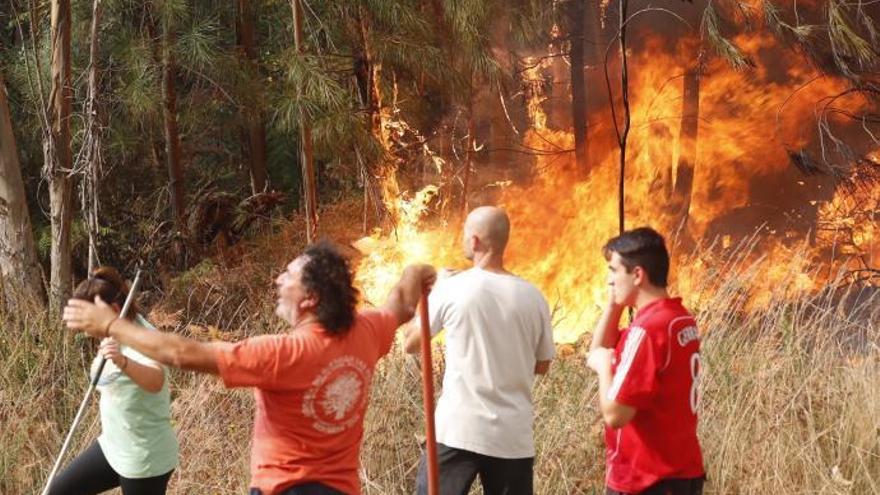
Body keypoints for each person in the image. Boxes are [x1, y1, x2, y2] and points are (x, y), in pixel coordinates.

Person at [64, 242, 436, 495]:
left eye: (288, 276)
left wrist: (111, 326)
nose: (278, 280)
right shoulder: (366, 331)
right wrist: (418, 271)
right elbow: (401, 304)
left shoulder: (283, 353)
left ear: (310, 298)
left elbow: (179, 353)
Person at [404, 206, 555, 495]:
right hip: (513, 437)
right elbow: (543, 365)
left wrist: (433, 295)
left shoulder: (453, 288)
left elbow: (410, 343)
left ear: (474, 241)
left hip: (458, 431)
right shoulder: (534, 297)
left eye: (464, 233)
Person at [585, 227, 705, 495]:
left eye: (614, 271)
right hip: (679, 473)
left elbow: (616, 414)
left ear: (637, 274)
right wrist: (615, 304)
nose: (609, 280)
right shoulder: (677, 318)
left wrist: (605, 367)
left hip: (647, 480)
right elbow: (599, 349)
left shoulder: (648, 330)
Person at [49, 267, 178, 495]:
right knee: (58, 490)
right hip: (113, 445)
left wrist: (122, 361)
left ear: (114, 310)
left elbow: (156, 379)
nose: (87, 329)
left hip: (144, 460)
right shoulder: (113, 332)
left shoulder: (144, 339)